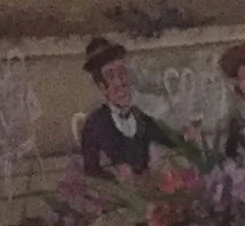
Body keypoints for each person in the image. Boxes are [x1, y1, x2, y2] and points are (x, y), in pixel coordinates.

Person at [77, 36, 187, 178]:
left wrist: (186, 137)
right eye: (111, 76)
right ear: (102, 87)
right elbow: (91, 171)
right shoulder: (95, 125)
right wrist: (117, 182)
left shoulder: (140, 117)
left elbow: (167, 137)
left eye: (122, 72)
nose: (120, 82)